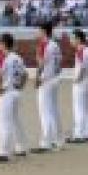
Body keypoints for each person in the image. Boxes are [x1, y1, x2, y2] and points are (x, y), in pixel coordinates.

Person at [0, 33, 28, 163]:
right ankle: (21, 147)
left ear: (3, 44)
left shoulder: (2, 57)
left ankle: (3, 151)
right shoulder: (18, 57)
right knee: (16, 120)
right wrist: (20, 87)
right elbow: (25, 75)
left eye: (0, 43)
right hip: (16, 91)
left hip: (6, 92)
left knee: (4, 122)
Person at [34, 22, 64, 152]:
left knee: (45, 111)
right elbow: (59, 64)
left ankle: (47, 141)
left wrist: (37, 78)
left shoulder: (43, 45)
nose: (37, 33)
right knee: (53, 109)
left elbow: (41, 64)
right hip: (54, 79)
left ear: (44, 31)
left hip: (46, 79)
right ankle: (58, 139)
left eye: (39, 30)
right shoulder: (55, 45)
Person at [67, 27, 88, 144]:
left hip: (81, 82)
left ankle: (79, 134)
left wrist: (78, 78)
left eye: (72, 38)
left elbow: (83, 67)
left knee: (79, 108)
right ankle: (87, 133)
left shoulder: (81, 50)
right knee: (86, 108)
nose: (71, 41)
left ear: (78, 39)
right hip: (87, 81)